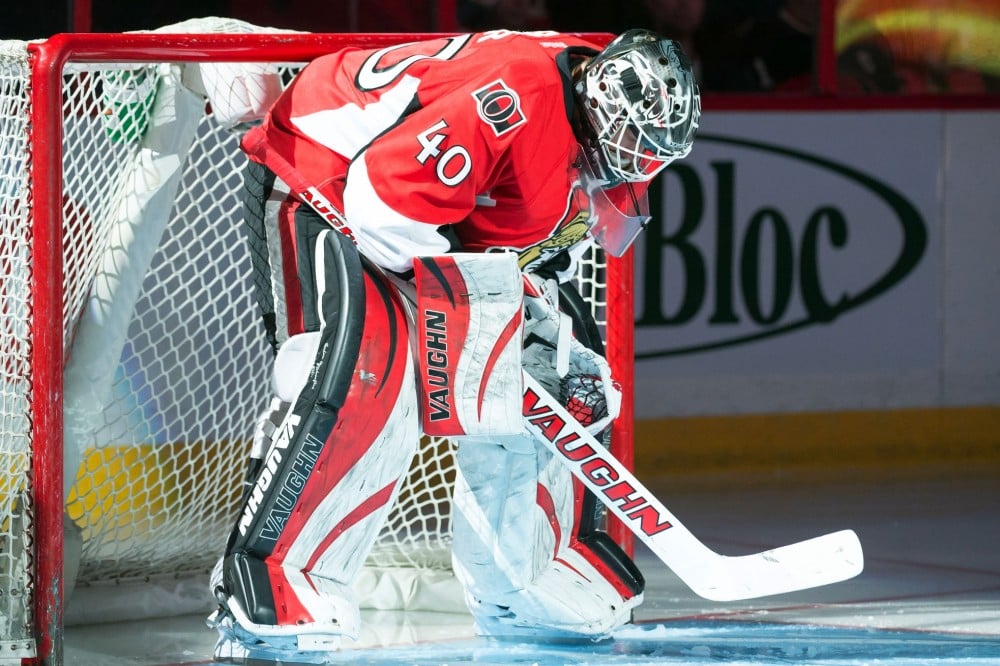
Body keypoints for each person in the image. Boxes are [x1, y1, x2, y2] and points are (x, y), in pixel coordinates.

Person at [208, 28, 700, 662]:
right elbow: (381, 207)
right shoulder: (517, 92)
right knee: (370, 377)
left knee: (562, 376)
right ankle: (275, 572)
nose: (636, 160)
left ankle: (525, 577)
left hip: (413, 220)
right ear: (602, 101)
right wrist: (474, 310)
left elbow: (527, 253)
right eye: (632, 141)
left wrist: (529, 324)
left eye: (651, 152)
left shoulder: (590, 131)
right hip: (323, 184)